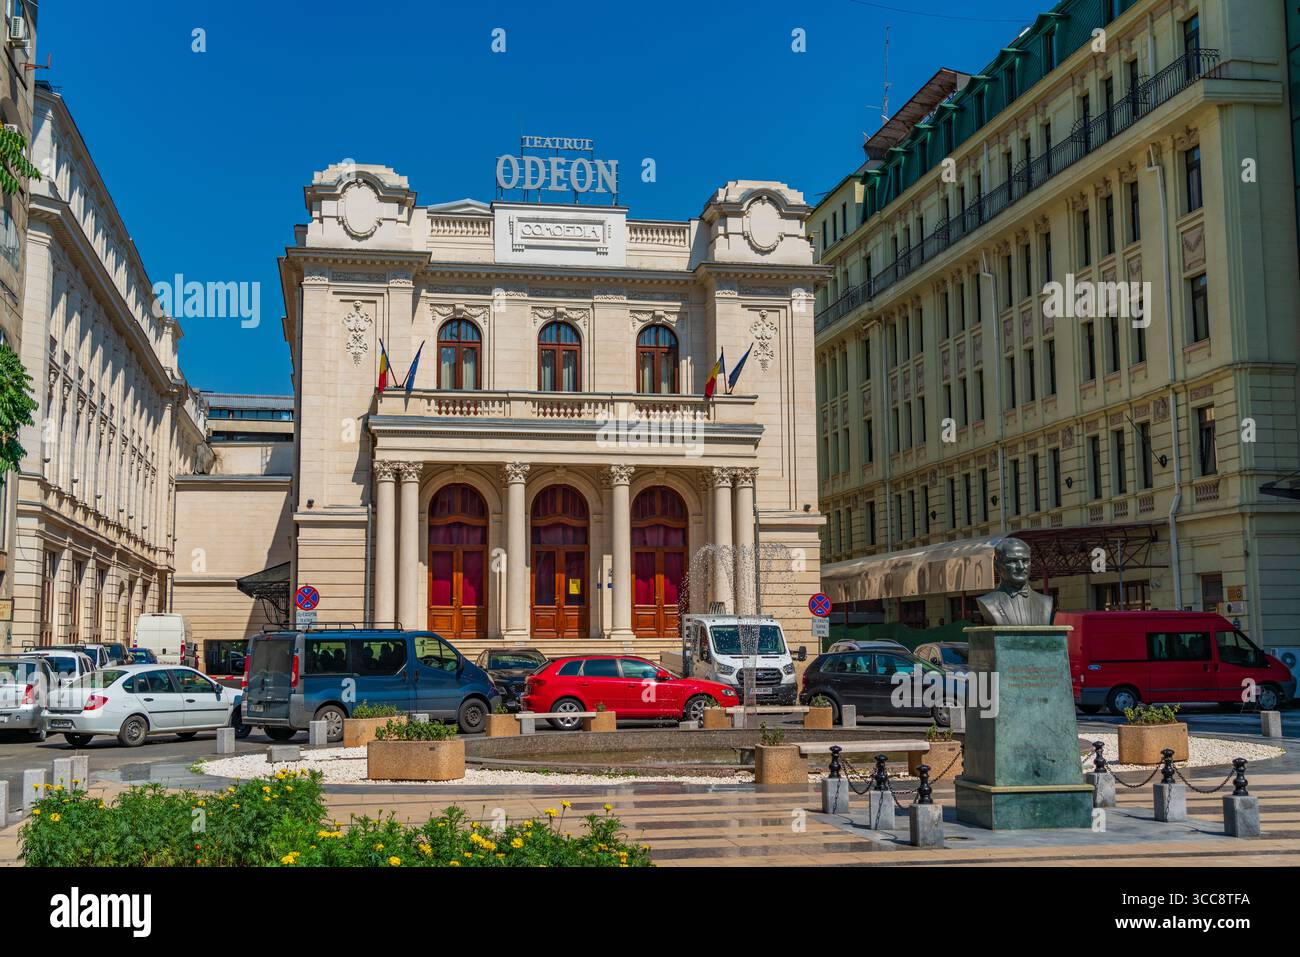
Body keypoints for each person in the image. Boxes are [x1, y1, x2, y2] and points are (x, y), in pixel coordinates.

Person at [975, 538, 1054, 627]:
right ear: (997, 567)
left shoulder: (1045, 602)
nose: (1020, 567)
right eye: (1012, 561)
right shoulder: (987, 602)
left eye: (1025, 561)